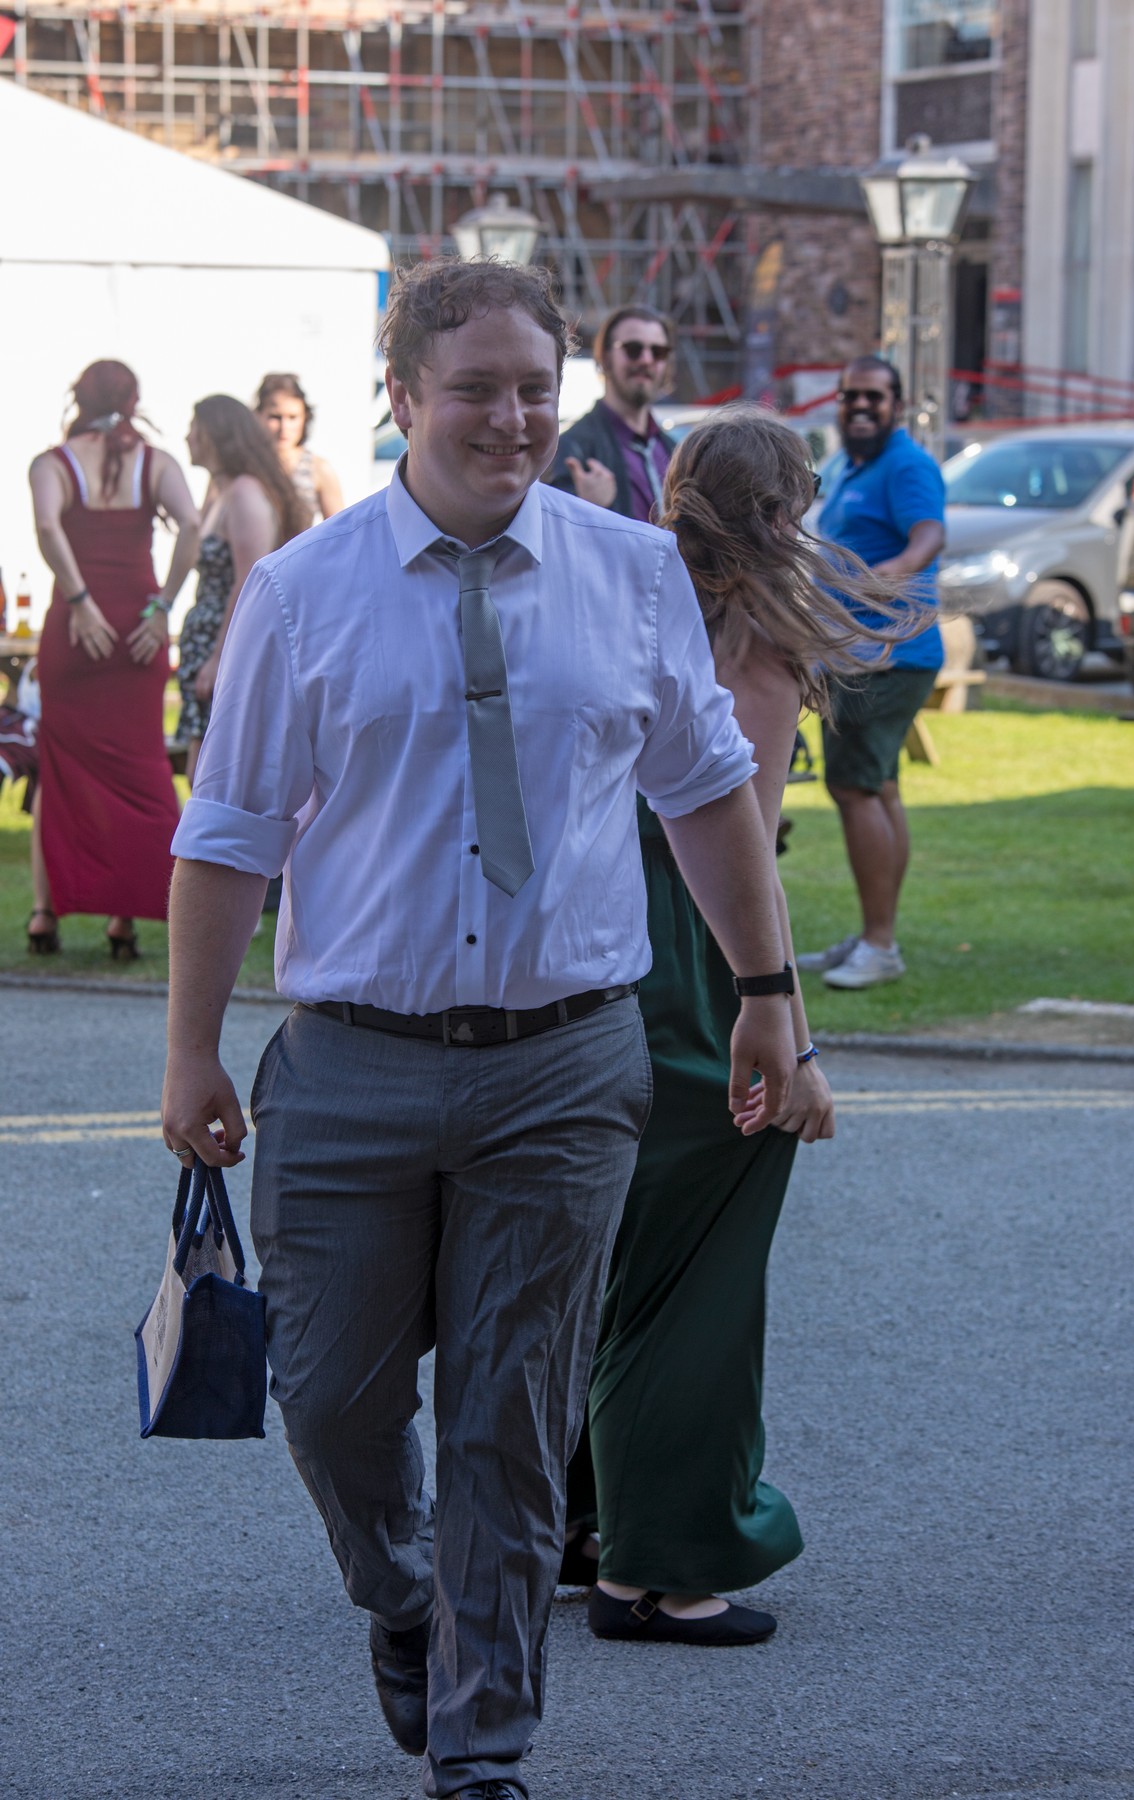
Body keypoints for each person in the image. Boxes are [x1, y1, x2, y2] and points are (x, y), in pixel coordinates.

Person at [160, 258, 807, 1800]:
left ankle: (482, 1743)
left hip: (564, 1066)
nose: (513, 419)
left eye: (535, 387)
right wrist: (190, 1049)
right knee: (331, 1401)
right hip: (352, 1063)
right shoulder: (303, 592)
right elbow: (230, 835)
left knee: (513, 1422)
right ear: (402, 397)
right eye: (477, 389)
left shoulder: (630, 573)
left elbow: (709, 791)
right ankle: (403, 1599)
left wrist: (769, 996)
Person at [563, 407, 911, 1645]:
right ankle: (662, 1568)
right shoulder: (756, 646)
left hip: (601, 941)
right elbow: (741, 852)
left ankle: (585, 1520)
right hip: (700, 959)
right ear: (776, 515)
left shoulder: (626, 603)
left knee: (617, 1257)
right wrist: (795, 1039)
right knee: (698, 1271)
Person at [26, 360, 200, 958]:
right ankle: (123, 922)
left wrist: (78, 601)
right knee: (140, 768)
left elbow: (47, 525)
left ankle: (43, 914)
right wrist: (163, 607)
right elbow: (192, 524)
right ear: (132, 401)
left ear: (78, 398)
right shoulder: (156, 463)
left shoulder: (52, 463)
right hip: (137, 631)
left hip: (76, 629)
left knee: (59, 769)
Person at [796, 354, 945, 989]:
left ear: (897, 405)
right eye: (849, 395)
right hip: (861, 651)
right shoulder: (850, 465)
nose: (860, 405)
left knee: (853, 787)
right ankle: (874, 934)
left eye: (874, 396)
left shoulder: (907, 464)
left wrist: (885, 576)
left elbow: (929, 535)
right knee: (879, 788)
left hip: (882, 655)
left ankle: (880, 945)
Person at [178, 395, 309, 781]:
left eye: (194, 428)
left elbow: (248, 582)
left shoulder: (244, 493)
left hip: (227, 651)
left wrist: (221, 656)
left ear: (214, 435)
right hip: (207, 648)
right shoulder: (221, 492)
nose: (187, 437)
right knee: (199, 768)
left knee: (213, 773)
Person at [548, 304, 676, 520]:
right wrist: (587, 510)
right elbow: (553, 530)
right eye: (633, 349)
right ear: (605, 357)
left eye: (658, 352)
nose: (646, 360)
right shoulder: (574, 447)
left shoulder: (674, 450)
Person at [254, 371, 344, 523]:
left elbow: (339, 529)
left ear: (304, 418)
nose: (284, 427)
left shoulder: (319, 469)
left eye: (292, 417)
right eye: (275, 417)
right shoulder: (242, 466)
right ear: (258, 416)